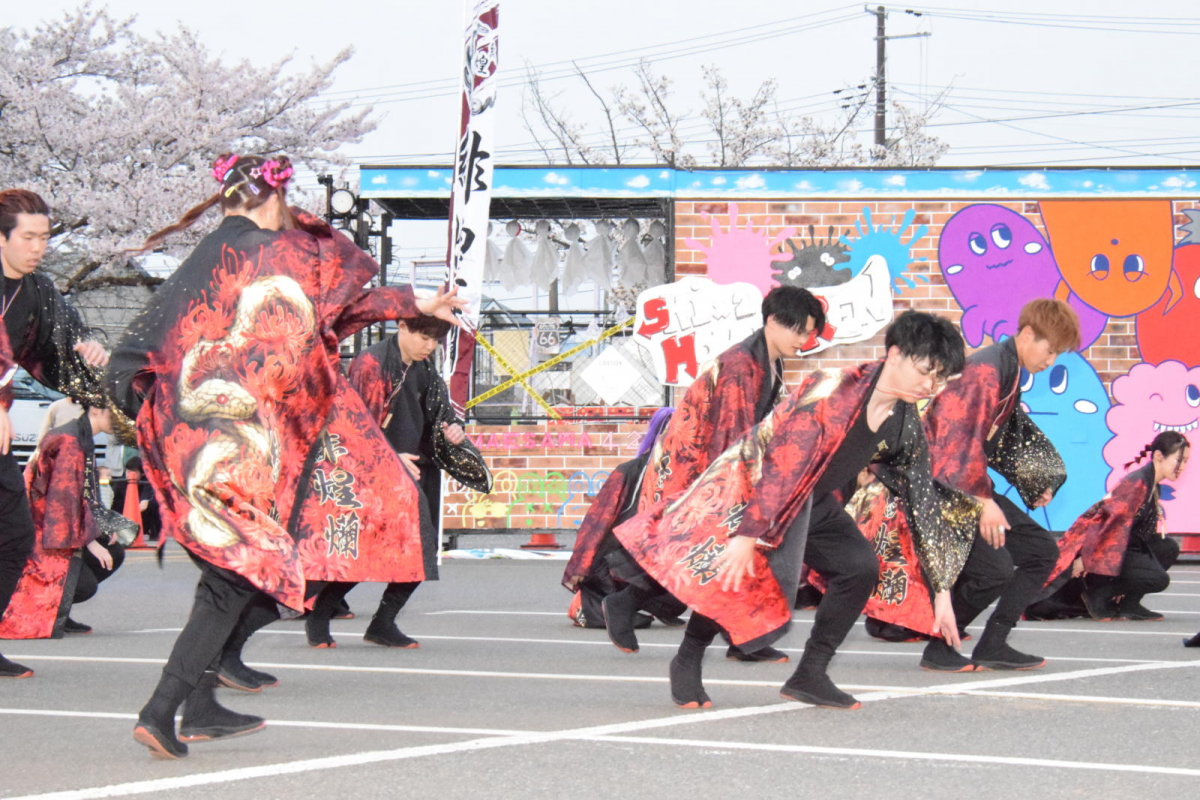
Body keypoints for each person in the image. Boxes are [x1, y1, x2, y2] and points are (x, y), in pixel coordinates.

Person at [106, 153, 465, 759]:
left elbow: (140, 345)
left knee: (234, 574)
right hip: (228, 442)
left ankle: (195, 704)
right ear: (275, 199)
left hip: (186, 435)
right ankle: (161, 709)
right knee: (242, 572)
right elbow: (331, 308)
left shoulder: (209, 254)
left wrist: (410, 307)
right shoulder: (271, 253)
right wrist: (409, 301)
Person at [614, 311, 979, 710]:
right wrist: (749, 534)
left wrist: (941, 590)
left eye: (940, 378)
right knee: (739, 577)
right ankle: (687, 659)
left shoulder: (905, 422)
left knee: (859, 568)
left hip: (808, 498)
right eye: (926, 371)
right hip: (749, 488)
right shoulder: (832, 391)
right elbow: (782, 464)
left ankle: (811, 674)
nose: (930, 385)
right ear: (894, 354)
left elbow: (922, 500)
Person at [597, 285, 827, 660]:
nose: (804, 340)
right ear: (772, 321)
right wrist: (738, 494)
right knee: (697, 553)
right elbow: (733, 434)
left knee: (710, 557)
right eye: (799, 330)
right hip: (697, 470)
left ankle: (742, 639)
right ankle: (627, 602)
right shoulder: (741, 365)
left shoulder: (765, 359)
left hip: (710, 467)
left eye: (808, 332)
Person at [304, 315, 491, 649]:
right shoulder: (372, 363)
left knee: (421, 552)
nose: (429, 346)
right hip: (373, 474)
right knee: (367, 551)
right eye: (423, 337)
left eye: (435, 341)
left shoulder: (424, 368)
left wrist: (453, 429)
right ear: (402, 326)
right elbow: (354, 426)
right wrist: (390, 459)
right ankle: (320, 613)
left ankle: (382, 623)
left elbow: (442, 413)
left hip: (417, 470)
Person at [921, 298, 1079, 672]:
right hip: (944, 485)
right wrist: (982, 498)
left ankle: (993, 643)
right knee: (993, 571)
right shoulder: (987, 370)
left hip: (966, 482)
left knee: (1041, 551)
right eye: (1050, 349)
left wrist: (1033, 480)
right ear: (1027, 334)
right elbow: (957, 441)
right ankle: (940, 647)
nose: (1050, 360)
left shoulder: (1008, 369)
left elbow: (1001, 438)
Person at [0, 188, 111, 679]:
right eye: (28, 237)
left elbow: (66, 346)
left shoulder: (37, 291)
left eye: (45, 237)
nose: (38, 247)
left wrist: (94, 351)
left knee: (16, 535)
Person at [0, 404, 134, 639]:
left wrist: (102, 525)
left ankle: (60, 608)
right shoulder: (69, 440)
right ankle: (47, 607)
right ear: (95, 409)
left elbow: (81, 494)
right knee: (85, 585)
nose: (118, 417)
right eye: (113, 411)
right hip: (44, 530)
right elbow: (63, 500)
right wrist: (90, 540)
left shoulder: (81, 436)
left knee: (115, 550)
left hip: (59, 522)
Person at [1032, 431, 1186, 622]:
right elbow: (1106, 524)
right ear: (1158, 456)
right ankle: (1098, 593)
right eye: (1178, 460)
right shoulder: (1137, 484)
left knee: (1167, 547)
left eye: (1186, 461)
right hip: (1109, 546)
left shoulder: (1153, 484)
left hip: (1124, 546)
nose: (1182, 466)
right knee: (1158, 579)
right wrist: (1085, 559)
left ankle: (1129, 605)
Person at [562, 408, 685, 631]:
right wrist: (581, 565)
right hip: (618, 560)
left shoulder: (688, 475)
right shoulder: (629, 472)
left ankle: (646, 602)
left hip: (658, 556)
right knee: (626, 615)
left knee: (675, 602)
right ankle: (590, 604)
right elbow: (596, 522)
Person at [109, 456, 161, 545]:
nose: (129, 474)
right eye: (127, 471)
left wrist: (131, 514)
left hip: (142, 516)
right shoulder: (120, 483)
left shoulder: (147, 482)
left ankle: (155, 533)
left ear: (142, 473)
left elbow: (143, 505)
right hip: (123, 517)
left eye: (134, 472)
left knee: (154, 504)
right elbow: (112, 504)